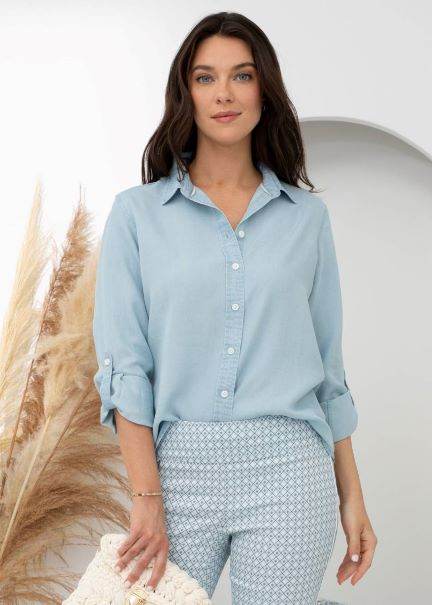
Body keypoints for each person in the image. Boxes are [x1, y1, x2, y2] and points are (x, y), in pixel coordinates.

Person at [92, 11, 378, 604]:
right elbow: (126, 370)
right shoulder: (137, 215)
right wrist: (146, 496)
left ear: (263, 91)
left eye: (241, 76)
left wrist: (352, 495)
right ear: (186, 95)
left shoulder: (306, 218)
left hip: (290, 469)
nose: (224, 93)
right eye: (205, 78)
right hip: (176, 471)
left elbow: (328, 371)